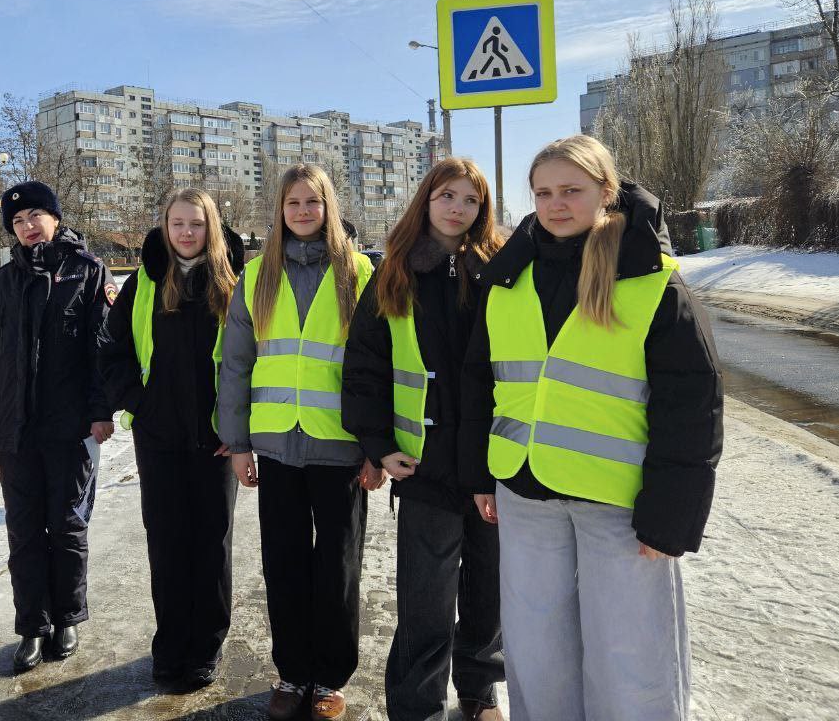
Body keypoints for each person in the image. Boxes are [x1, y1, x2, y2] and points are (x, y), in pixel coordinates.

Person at [459, 135, 723, 721]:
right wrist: (479, 473)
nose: (555, 204)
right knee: (535, 648)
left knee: (629, 652)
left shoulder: (652, 280)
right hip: (525, 492)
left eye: (571, 191)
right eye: (543, 192)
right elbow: (480, 382)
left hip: (621, 507)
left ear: (606, 193)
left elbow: (692, 405)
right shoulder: (508, 280)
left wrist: (672, 513)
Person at [216, 163, 383, 721]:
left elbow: (378, 365)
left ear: (328, 207)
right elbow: (235, 362)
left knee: (337, 567)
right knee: (283, 563)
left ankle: (330, 679)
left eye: (313, 202)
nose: (304, 211)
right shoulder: (257, 274)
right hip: (277, 450)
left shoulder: (358, 273)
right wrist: (238, 441)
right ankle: (292, 674)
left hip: (340, 448)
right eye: (293, 203)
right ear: (280, 211)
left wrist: (375, 447)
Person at [342, 157, 506, 721]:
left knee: (487, 589)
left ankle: (481, 691)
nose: (458, 209)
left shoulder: (501, 270)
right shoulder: (397, 271)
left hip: (490, 463)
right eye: (447, 196)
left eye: (471, 200)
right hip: (425, 468)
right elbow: (364, 366)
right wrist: (376, 442)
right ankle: (417, 707)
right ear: (426, 201)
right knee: (425, 601)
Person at [0, 180, 117, 673]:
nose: (28, 227)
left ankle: (67, 616)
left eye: (35, 216)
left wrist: (100, 411)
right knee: (23, 530)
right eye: (18, 220)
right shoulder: (3, 282)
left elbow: (102, 351)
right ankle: (32, 625)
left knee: (67, 524)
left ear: (55, 218)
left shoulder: (89, 274)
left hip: (69, 427)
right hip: (13, 430)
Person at [97, 188, 244, 691]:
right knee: (166, 543)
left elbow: (253, 360)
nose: (186, 233)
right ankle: (172, 644)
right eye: (177, 223)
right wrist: (138, 402)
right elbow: (111, 350)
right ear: (164, 227)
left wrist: (237, 425)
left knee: (210, 543)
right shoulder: (143, 284)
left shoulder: (234, 283)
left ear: (212, 228)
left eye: (196, 224)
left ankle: (206, 646)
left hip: (217, 440)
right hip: (158, 439)